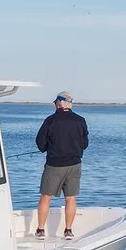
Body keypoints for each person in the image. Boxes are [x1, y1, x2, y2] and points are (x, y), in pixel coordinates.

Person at [34, 91, 89, 241]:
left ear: (58, 103)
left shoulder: (50, 121)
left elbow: (40, 143)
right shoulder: (80, 120)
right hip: (75, 164)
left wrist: (47, 148)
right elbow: (85, 144)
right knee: (70, 198)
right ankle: (68, 231)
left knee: (46, 197)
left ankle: (40, 230)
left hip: (54, 165)